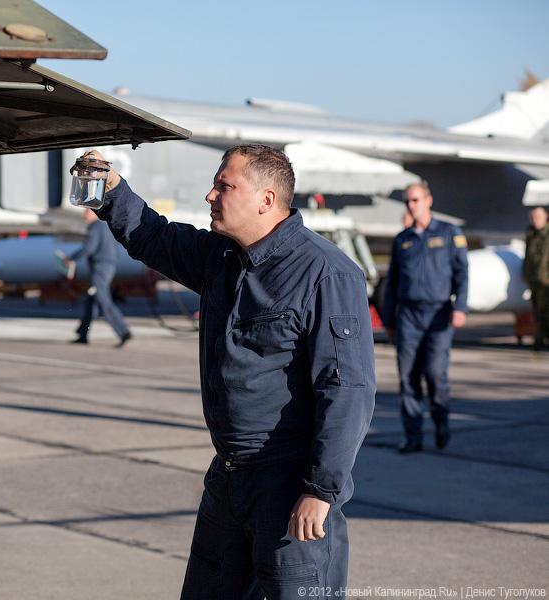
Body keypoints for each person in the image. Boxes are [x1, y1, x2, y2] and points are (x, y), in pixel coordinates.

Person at [84, 145, 375, 598]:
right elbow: (154, 237)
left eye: (225, 185)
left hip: (289, 487)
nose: (210, 195)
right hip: (229, 478)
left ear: (266, 199)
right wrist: (111, 190)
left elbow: (346, 390)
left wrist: (321, 490)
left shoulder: (325, 274)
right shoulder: (221, 257)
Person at [382, 182, 468, 453]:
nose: (411, 205)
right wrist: (390, 321)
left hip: (438, 314)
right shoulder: (402, 239)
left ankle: (441, 421)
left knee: (434, 374)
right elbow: (392, 283)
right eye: (408, 201)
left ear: (428, 200)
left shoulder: (449, 233)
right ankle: (413, 437)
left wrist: (460, 307)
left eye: (416, 200)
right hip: (408, 315)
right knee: (408, 378)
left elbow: (462, 273)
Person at [64, 207, 132, 346]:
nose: (84, 215)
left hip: (100, 268)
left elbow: (90, 247)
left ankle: (123, 332)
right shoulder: (106, 226)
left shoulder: (96, 227)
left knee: (103, 300)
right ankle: (82, 334)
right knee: (91, 301)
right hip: (107, 266)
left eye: (87, 212)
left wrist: (71, 258)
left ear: (94, 213)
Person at [523, 206, 549, 350]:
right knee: (538, 311)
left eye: (538, 217)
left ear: (546, 217)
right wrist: (526, 274)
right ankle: (539, 340)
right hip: (535, 280)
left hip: (546, 280)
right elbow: (529, 257)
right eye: (533, 217)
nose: (536, 220)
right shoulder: (531, 234)